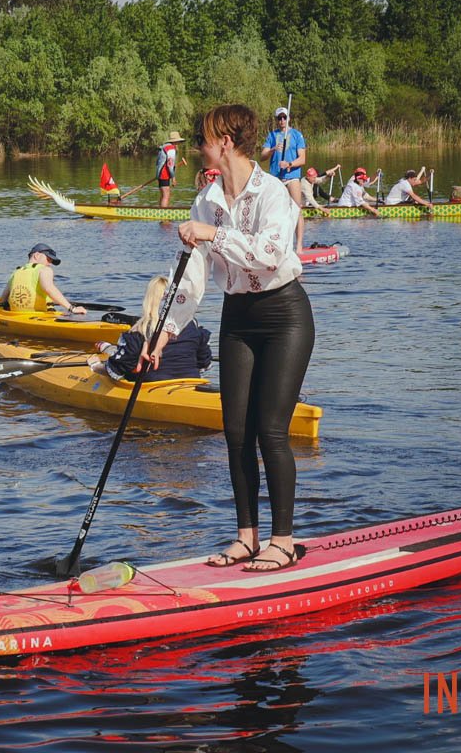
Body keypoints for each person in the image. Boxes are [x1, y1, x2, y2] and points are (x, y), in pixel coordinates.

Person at [152, 103, 315, 573]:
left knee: (271, 430)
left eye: (202, 139)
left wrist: (212, 234)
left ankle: (282, 542)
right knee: (235, 432)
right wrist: (163, 332)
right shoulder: (206, 200)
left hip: (285, 314)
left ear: (225, 142)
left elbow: (269, 254)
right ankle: (247, 537)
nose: (197, 148)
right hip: (237, 316)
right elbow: (192, 278)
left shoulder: (273, 193)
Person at [88, 275, 212, 382]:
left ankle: (110, 350)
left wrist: (96, 366)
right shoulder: (192, 325)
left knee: (123, 360)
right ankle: (109, 348)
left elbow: (116, 370)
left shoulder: (139, 331)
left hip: (153, 385)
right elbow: (205, 363)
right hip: (190, 381)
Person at [0, 243, 87, 314]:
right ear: (37, 255)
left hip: (17, 315)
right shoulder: (44, 270)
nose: (49, 264)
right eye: (48, 259)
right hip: (40, 315)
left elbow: (2, 299)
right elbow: (49, 288)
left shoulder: (16, 272)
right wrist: (71, 308)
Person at [261, 106, 306, 206]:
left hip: (292, 177)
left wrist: (289, 164)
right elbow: (263, 157)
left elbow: (302, 159)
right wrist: (273, 149)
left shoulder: (297, 135)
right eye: (279, 118)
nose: (282, 120)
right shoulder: (271, 135)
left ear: (288, 118)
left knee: (296, 210)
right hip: (276, 178)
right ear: (277, 120)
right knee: (276, 210)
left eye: (284, 117)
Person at [156, 131, 185, 208]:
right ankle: (164, 214)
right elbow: (170, 165)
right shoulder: (171, 149)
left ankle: (160, 211)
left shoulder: (164, 147)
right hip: (164, 174)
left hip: (160, 174)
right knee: (166, 195)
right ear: (175, 141)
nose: (179, 143)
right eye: (178, 142)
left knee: (163, 195)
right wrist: (173, 178)